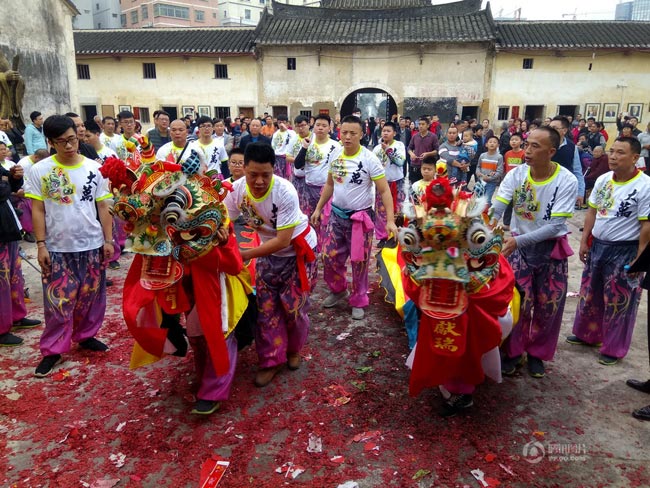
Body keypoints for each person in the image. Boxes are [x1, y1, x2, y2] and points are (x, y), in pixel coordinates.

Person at [25, 115, 114, 377]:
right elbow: (38, 209)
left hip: (91, 243)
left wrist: (108, 240)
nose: (69, 146)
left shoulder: (94, 168)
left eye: (72, 139)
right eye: (61, 141)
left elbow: (103, 206)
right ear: (51, 143)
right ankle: (53, 350)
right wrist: (41, 244)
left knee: (91, 296)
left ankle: (86, 335)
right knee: (58, 301)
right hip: (57, 247)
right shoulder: (40, 170)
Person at [224, 142, 317, 387]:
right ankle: (271, 360)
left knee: (294, 308)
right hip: (267, 252)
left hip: (296, 251)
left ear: (273, 170)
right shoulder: (235, 191)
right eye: (253, 174)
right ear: (244, 169)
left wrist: (245, 255)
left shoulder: (285, 191)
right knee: (266, 309)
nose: (259, 181)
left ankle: (293, 349)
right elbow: (225, 222)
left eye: (265, 175)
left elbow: (283, 240)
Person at [492, 127, 578, 378]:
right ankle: (513, 351)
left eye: (535, 146)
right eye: (527, 144)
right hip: (519, 248)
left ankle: (537, 353)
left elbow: (556, 226)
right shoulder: (517, 174)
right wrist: (485, 224)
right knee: (517, 302)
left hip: (550, 249)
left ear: (551, 151)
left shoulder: (566, 180)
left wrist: (517, 242)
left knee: (548, 304)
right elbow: (498, 207)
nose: (527, 151)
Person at [567, 137, 650, 365]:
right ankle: (588, 335)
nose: (613, 156)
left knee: (620, 301)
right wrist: (584, 241)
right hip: (598, 245)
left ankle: (613, 348)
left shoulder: (645, 185)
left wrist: (640, 258)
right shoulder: (603, 180)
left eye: (620, 152)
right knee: (590, 293)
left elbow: (646, 225)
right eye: (611, 151)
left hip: (626, 249)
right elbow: (592, 212)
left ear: (634, 157)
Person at [311, 115, 398, 320]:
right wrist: (318, 208)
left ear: (361, 134)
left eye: (352, 133)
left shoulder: (369, 159)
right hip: (336, 216)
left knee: (359, 262)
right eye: (344, 132)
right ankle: (339, 289)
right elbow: (330, 184)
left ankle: (359, 299)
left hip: (360, 219)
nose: (348, 137)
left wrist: (390, 220)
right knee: (329, 256)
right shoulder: (335, 155)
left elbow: (384, 190)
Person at [0, 154, 42, 346]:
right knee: (2, 280)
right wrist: (6, 183)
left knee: (13, 276)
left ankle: (16, 316)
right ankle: (2, 329)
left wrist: (13, 177)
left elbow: (10, 187)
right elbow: (3, 190)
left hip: (7, 227)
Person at [373, 121, 406, 245]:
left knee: (397, 209)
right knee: (381, 210)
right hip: (382, 184)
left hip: (397, 183)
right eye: (384, 131)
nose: (385, 133)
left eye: (388, 131)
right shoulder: (376, 148)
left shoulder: (399, 145)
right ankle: (383, 237)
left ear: (394, 133)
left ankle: (395, 236)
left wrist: (388, 150)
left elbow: (400, 162)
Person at [549, 116, 586, 208]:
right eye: (549, 128)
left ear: (564, 131)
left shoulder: (572, 147)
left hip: (564, 187)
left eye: (554, 128)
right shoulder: (544, 144)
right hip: (546, 185)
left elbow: (577, 170)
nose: (550, 131)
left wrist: (580, 192)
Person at [502, 132, 525, 229]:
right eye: (512, 140)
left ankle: (521, 224)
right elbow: (505, 167)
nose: (514, 141)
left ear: (521, 142)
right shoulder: (507, 154)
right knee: (508, 202)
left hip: (520, 182)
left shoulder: (523, 154)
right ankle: (506, 223)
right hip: (510, 182)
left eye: (516, 140)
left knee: (520, 204)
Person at [407, 116, 439, 182]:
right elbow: (409, 148)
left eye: (423, 124)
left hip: (427, 166)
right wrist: (411, 154)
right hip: (415, 165)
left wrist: (428, 154)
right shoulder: (415, 136)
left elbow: (437, 151)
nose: (420, 126)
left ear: (428, 125)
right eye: (419, 124)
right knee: (414, 185)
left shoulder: (433, 137)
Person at [475, 135, 504, 205]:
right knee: (479, 199)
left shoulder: (499, 157)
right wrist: (479, 174)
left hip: (492, 183)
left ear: (498, 145)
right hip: (481, 181)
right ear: (486, 144)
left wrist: (490, 178)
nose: (492, 143)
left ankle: (488, 210)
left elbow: (500, 171)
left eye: (494, 142)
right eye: (490, 142)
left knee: (487, 200)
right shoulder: (482, 155)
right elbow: (478, 167)